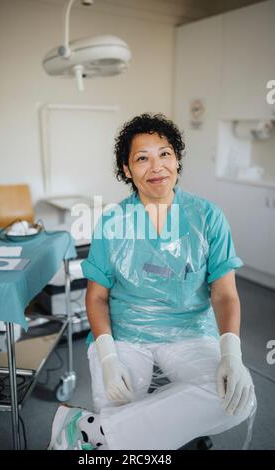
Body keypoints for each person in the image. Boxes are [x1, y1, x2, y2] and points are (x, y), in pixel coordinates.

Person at [49, 113, 256, 451]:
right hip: (126, 333)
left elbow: (224, 294)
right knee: (118, 403)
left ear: (177, 159)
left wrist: (231, 352)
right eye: (142, 158)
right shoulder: (113, 222)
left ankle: (87, 430)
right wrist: (108, 356)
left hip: (190, 331)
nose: (157, 166)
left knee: (236, 400)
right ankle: (110, 428)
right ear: (127, 170)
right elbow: (97, 297)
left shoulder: (208, 217)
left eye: (165, 154)